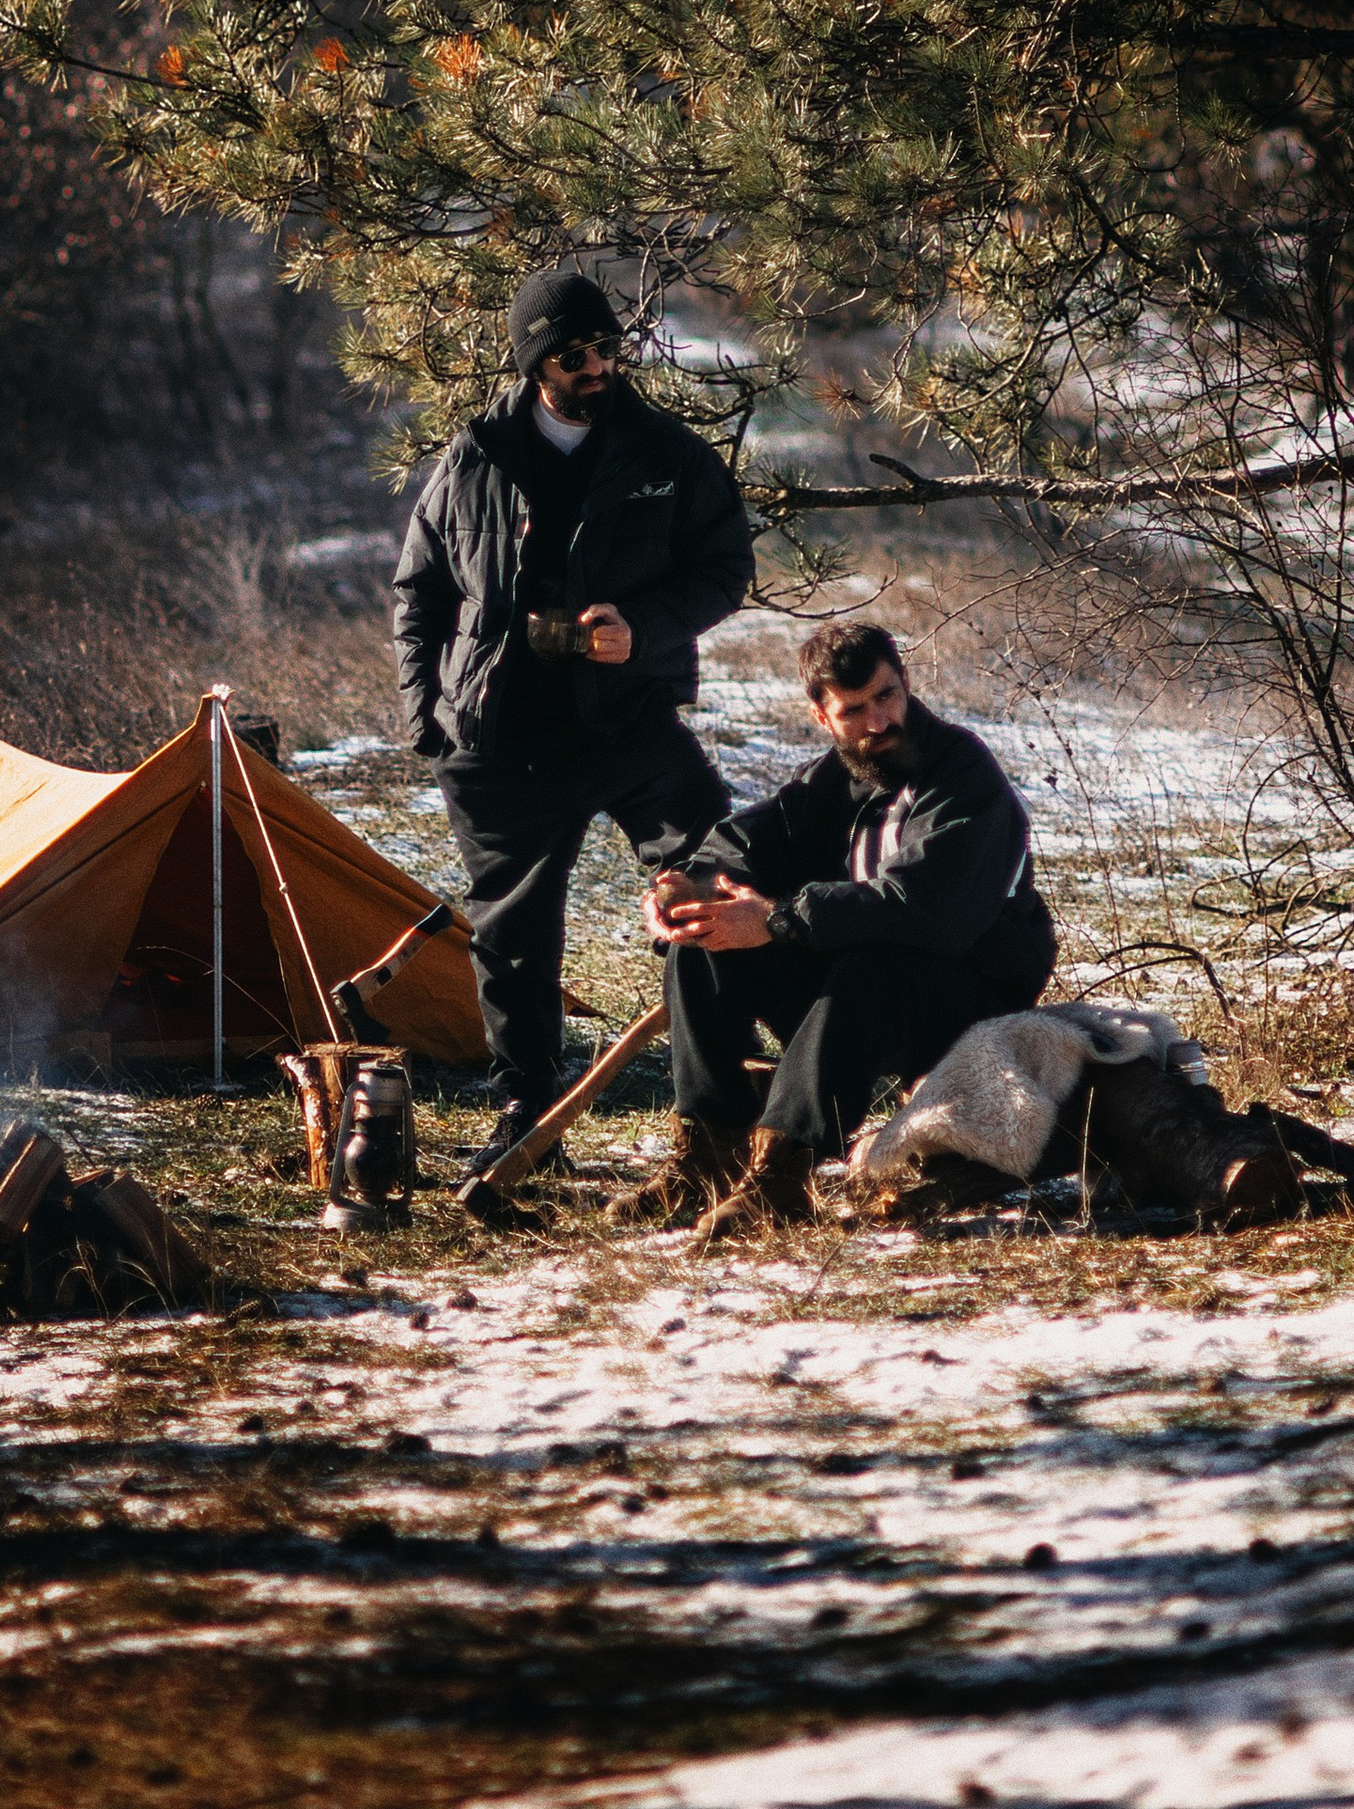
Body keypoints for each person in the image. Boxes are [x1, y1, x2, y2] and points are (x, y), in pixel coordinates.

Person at [394, 262, 754, 1170]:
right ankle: (527, 1120)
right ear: (536, 366)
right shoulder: (473, 457)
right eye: (574, 355)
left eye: (606, 347)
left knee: (712, 886)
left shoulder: (667, 454)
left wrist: (645, 628)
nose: (597, 366)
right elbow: (420, 591)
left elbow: (723, 570)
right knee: (513, 942)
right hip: (500, 735)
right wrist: (427, 723)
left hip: (630, 723)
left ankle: (716, 1116)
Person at [613, 618, 1056, 1237]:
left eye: (887, 697)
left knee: (871, 962)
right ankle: (707, 1155)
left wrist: (777, 920)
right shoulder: (841, 777)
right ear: (822, 718)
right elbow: (747, 839)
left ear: (906, 683)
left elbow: (928, 911)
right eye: (854, 710)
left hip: (973, 994)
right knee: (702, 944)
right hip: (872, 993)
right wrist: (689, 887)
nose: (879, 722)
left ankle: (781, 1175)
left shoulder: (963, 778)